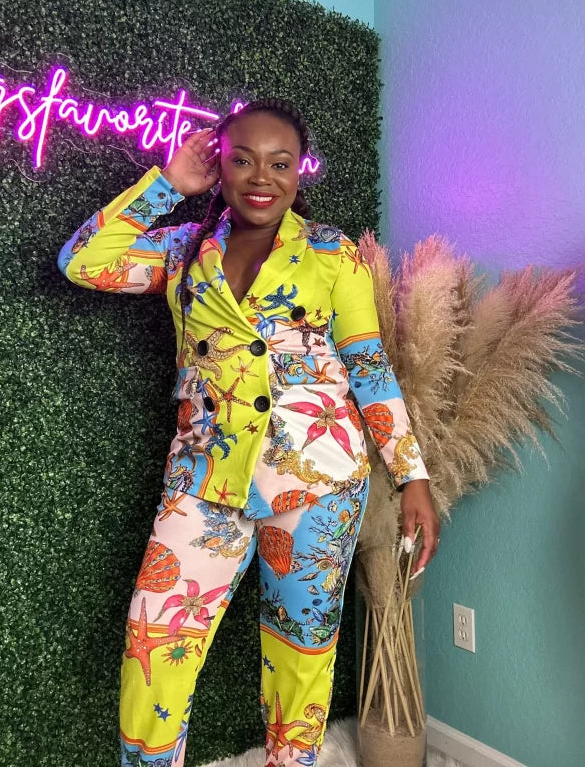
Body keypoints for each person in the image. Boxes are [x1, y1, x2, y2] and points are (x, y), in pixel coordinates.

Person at [58, 98, 440, 767]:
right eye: (242, 160)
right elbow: (82, 261)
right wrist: (169, 184)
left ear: (299, 171)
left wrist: (412, 475)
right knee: (153, 653)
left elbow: (369, 367)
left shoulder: (332, 254)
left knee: (300, 664)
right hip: (203, 479)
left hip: (319, 484)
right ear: (221, 166)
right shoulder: (184, 251)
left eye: (280, 163)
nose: (261, 177)